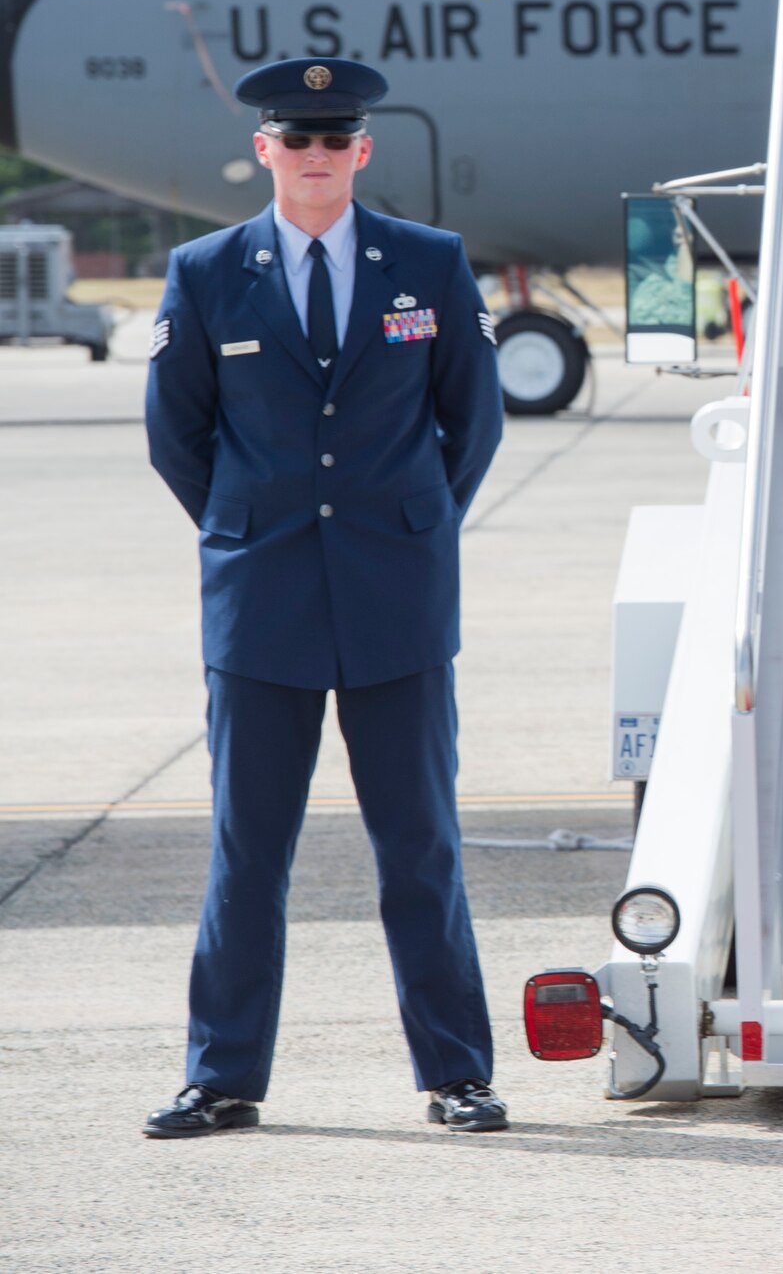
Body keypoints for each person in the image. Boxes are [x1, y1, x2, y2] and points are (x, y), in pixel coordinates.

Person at [141, 58, 506, 1137]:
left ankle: (456, 1072)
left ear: (362, 151)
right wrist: (249, 525)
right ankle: (222, 1076)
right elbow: (176, 435)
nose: (314, 156)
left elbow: (472, 421)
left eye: (334, 139)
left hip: (397, 597)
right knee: (247, 850)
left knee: (420, 845)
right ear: (263, 150)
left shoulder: (429, 263)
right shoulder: (207, 271)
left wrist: (412, 524)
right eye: (294, 139)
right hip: (262, 602)